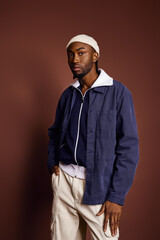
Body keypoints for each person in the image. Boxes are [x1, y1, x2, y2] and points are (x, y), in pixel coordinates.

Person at [48, 34, 139, 240]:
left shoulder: (118, 93)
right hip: (64, 182)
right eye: (71, 55)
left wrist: (117, 197)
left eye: (81, 53)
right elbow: (55, 132)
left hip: (97, 186)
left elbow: (128, 148)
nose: (75, 60)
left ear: (95, 55)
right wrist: (52, 161)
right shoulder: (68, 94)